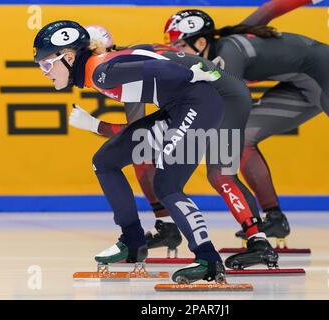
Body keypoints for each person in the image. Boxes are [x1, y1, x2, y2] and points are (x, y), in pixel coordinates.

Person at [161, 8, 329, 252]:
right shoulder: (222, 46)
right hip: (298, 86)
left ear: (202, 42)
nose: (179, 54)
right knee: (245, 137)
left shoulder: (228, 54)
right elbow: (266, 12)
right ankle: (274, 218)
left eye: (181, 47)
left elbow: (225, 103)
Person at [34, 20, 230, 283]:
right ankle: (133, 241)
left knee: (167, 185)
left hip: (198, 105)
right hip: (176, 108)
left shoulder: (100, 71)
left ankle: (208, 259)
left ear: (69, 57)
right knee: (105, 161)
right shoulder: (98, 68)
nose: (44, 72)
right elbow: (147, 57)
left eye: (46, 64)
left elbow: (154, 66)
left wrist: (194, 73)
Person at [70, 26, 280, 270]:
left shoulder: (114, 70)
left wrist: (96, 125)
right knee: (139, 157)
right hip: (200, 97)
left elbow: (134, 129)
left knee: (219, 174)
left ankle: (258, 241)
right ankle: (166, 226)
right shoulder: (125, 58)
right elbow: (140, 134)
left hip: (223, 98)